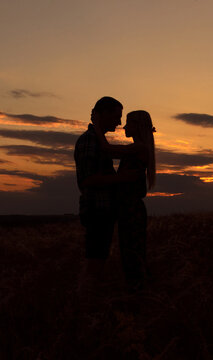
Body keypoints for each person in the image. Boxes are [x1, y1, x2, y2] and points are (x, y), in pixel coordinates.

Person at [74, 96, 139, 307]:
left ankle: (86, 307)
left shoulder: (98, 140)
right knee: (95, 261)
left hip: (103, 210)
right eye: (116, 116)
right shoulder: (89, 140)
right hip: (96, 210)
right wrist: (120, 179)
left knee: (98, 259)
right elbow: (87, 180)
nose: (119, 123)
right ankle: (83, 309)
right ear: (102, 114)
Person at [93, 110, 156, 292]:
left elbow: (108, 149)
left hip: (131, 210)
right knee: (130, 253)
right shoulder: (137, 148)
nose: (124, 126)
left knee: (133, 254)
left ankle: (139, 293)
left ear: (138, 126)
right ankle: (139, 291)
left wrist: (97, 127)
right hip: (128, 209)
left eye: (129, 123)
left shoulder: (139, 148)